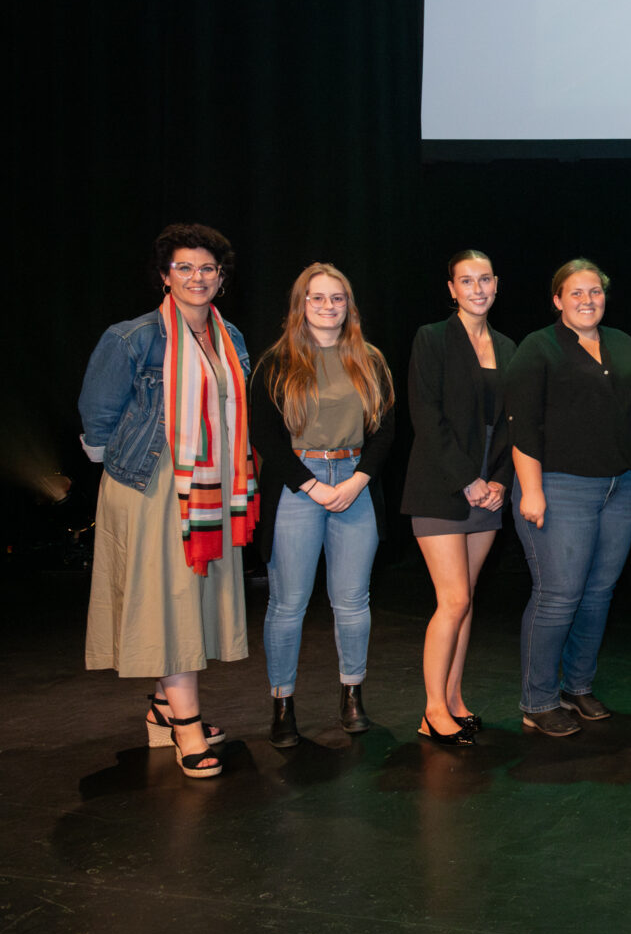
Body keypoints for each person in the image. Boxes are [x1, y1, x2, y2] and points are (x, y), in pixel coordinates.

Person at [79, 223, 259, 779]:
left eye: (207, 269)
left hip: (211, 489)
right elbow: (98, 417)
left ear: (221, 278)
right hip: (152, 486)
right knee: (171, 602)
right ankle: (186, 727)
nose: (197, 277)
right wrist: (134, 467)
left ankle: (163, 707)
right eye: (184, 267)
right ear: (165, 276)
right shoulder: (132, 337)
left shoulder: (230, 335)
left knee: (182, 602)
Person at [252, 263, 396, 747]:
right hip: (298, 486)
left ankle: (352, 695)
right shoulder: (276, 362)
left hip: (355, 484)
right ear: (301, 305)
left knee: (353, 603)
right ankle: (282, 703)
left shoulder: (369, 358)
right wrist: (311, 486)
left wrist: (357, 481)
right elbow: (265, 435)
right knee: (288, 604)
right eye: (318, 298)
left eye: (338, 298)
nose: (328, 306)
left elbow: (387, 430)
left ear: (348, 305)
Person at [508, 259, 631, 737]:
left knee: (597, 595)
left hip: (621, 485)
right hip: (560, 488)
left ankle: (577, 686)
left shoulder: (624, 343)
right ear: (557, 300)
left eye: (596, 292)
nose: (588, 301)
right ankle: (537, 700)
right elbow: (521, 426)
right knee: (558, 596)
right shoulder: (538, 348)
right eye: (577, 293)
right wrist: (532, 491)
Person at [400, 250, 516, 746]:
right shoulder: (432, 338)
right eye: (466, 280)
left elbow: (514, 425)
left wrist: (500, 481)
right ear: (451, 288)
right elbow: (426, 416)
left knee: (465, 605)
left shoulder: (509, 347)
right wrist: (467, 478)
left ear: (496, 284)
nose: (477, 288)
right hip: (441, 488)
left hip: (488, 493)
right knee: (454, 600)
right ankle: (430, 710)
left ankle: (454, 699)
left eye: (485, 279)